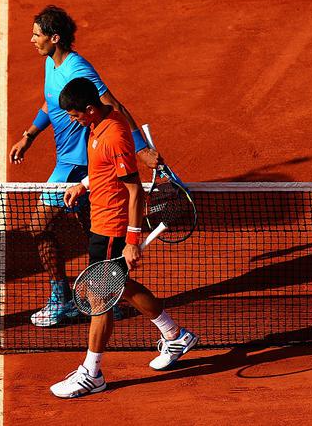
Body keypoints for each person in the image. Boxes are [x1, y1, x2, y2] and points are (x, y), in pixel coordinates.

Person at [49, 78, 198, 398]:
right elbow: (105, 170)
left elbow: (134, 189)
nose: (74, 121)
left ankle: (92, 373)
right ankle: (175, 335)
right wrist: (84, 185)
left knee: (100, 298)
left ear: (89, 109)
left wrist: (131, 240)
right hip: (99, 223)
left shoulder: (114, 134)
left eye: (76, 115)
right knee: (119, 287)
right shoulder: (98, 125)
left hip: (114, 228)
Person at [8, 5, 157, 327]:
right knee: (92, 229)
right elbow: (51, 101)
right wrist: (29, 135)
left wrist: (142, 149)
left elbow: (113, 105)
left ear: (55, 37)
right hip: (69, 161)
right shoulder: (51, 62)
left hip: (76, 165)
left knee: (40, 226)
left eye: (37, 34)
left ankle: (61, 299)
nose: (31, 40)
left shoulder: (78, 69)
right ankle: (110, 295)